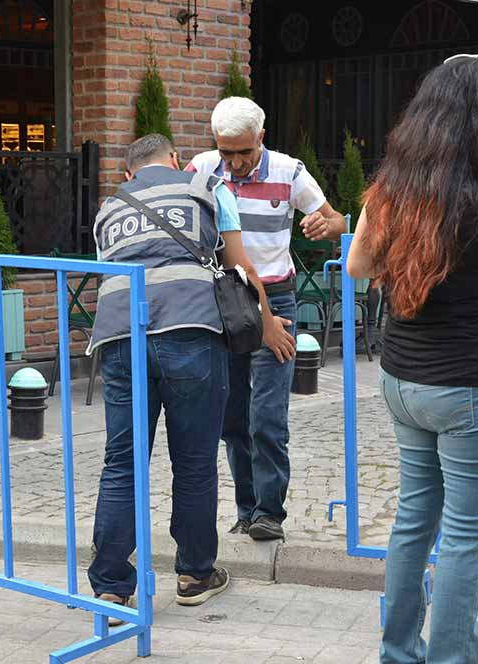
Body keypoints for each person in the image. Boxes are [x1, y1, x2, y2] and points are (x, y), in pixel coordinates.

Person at [345, 53, 478, 663]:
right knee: (464, 541)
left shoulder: (389, 191)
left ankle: (398, 652)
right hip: (473, 389)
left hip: (405, 380)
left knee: (414, 523)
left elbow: (356, 266)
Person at [87, 133, 291, 619]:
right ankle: (195, 574)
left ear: (129, 173)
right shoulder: (206, 186)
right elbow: (240, 267)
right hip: (191, 332)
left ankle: (112, 587)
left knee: (122, 460)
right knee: (195, 461)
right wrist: (265, 322)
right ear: (176, 160)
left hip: (119, 338)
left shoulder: (108, 207)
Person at [186, 97, 346, 541]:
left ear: (261, 137)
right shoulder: (200, 169)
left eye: (244, 152)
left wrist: (322, 226)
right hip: (222, 299)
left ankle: (269, 512)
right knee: (232, 418)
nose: (234, 163)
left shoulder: (289, 171)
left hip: (276, 298)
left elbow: (336, 220)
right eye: (226, 153)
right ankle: (246, 508)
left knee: (267, 417)